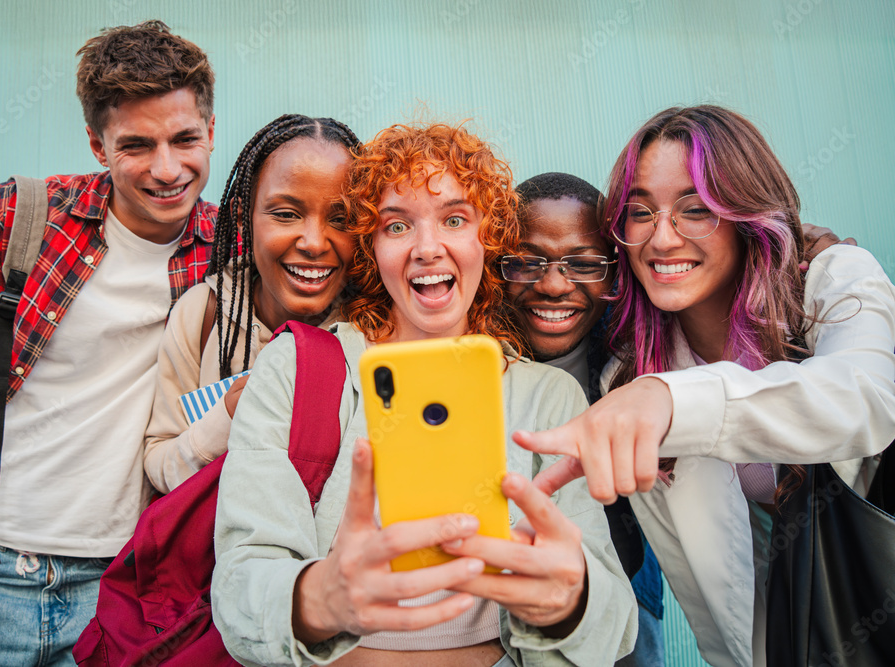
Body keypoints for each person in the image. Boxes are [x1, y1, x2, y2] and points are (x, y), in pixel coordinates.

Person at [211, 123, 636, 666]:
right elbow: (240, 583)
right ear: (371, 248)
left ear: (490, 240)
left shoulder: (551, 398)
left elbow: (614, 625)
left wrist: (569, 599)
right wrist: (321, 599)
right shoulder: (294, 368)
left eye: (455, 220)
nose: (427, 248)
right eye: (396, 226)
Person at [515, 106, 895, 666]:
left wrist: (672, 400)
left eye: (696, 209)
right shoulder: (629, 367)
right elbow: (714, 604)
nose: (662, 239)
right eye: (640, 211)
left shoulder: (832, 279)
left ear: (747, 213)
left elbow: (863, 398)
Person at [0, 21, 217, 667]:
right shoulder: (25, 216)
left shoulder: (226, 246)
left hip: (123, 583)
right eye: (136, 145)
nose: (166, 168)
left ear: (210, 131)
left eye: (185, 139)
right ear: (98, 145)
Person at [143, 114, 360, 493]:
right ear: (244, 218)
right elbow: (160, 465)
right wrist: (225, 419)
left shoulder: (371, 330)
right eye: (286, 214)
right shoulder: (204, 314)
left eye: (341, 219)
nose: (313, 242)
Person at [505, 172, 664, 666]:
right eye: (527, 262)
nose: (554, 285)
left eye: (584, 263)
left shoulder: (642, 348)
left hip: (631, 574)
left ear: (616, 272)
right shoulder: (473, 356)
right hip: (515, 593)